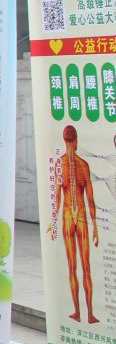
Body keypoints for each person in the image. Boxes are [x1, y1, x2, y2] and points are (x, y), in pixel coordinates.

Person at [52, 124, 98, 324]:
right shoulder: (83, 165)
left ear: (64, 141)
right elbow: (90, 199)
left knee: (72, 267)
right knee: (86, 267)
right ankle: (90, 314)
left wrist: (53, 221)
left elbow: (57, 199)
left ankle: (78, 312)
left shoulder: (59, 164)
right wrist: (95, 226)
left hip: (68, 217)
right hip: (80, 217)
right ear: (76, 140)